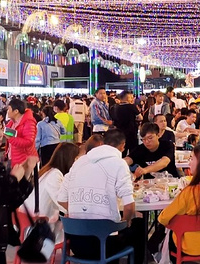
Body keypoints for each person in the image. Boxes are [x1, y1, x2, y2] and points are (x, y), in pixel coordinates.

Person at [57, 129, 144, 264]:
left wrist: (80, 213)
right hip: (105, 244)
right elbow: (129, 206)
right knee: (138, 225)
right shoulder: (119, 164)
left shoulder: (79, 162)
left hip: (77, 243)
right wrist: (126, 221)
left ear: (103, 143)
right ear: (123, 146)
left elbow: (61, 199)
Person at [0, 115, 36, 264]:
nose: (0, 135)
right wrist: (14, 179)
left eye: (0, 128)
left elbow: (11, 201)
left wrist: (26, 175)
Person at [22, 142, 79, 244]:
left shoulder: (48, 170)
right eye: (77, 159)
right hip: (39, 226)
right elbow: (61, 201)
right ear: (70, 158)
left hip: (29, 221)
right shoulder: (55, 174)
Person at [5, 98, 38, 167]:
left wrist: (11, 139)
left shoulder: (28, 122)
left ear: (16, 111)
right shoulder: (12, 122)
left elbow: (29, 141)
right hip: (12, 157)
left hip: (23, 161)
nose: (7, 112)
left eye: (9, 109)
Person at [113, 91, 141, 157]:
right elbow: (140, 117)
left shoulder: (116, 107)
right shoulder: (131, 106)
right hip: (131, 132)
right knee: (133, 152)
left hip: (120, 133)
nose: (132, 99)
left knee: (122, 152)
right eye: (131, 97)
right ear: (126, 98)